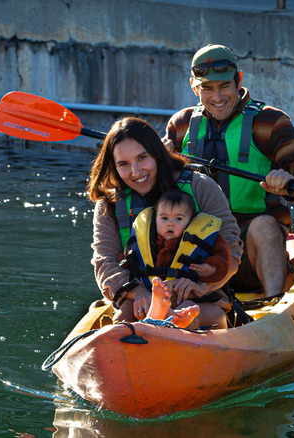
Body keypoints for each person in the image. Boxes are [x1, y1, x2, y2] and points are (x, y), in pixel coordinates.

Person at [164, 44, 294, 299]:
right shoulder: (180, 125)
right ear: (194, 87)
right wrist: (158, 164)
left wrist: (291, 182)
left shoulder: (270, 122)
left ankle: (273, 303)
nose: (217, 97)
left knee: (264, 225)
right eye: (207, 88)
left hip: (248, 248)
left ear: (238, 81)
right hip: (196, 250)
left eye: (224, 86)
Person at [87, 117, 241, 329]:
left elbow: (232, 248)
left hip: (199, 298)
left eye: (142, 158)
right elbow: (104, 261)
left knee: (188, 313)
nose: (136, 172)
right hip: (140, 299)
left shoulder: (200, 186)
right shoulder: (110, 204)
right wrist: (137, 291)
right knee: (124, 318)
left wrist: (202, 285)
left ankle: (179, 324)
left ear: (157, 154)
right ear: (114, 166)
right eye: (124, 164)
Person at [121, 189, 232, 327]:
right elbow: (127, 263)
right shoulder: (146, 240)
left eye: (178, 219)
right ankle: (118, 326)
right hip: (151, 297)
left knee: (187, 306)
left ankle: (173, 322)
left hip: (191, 297)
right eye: (164, 218)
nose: (170, 223)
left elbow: (223, 259)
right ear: (155, 220)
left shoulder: (206, 238)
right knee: (127, 306)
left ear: (191, 221)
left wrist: (211, 269)